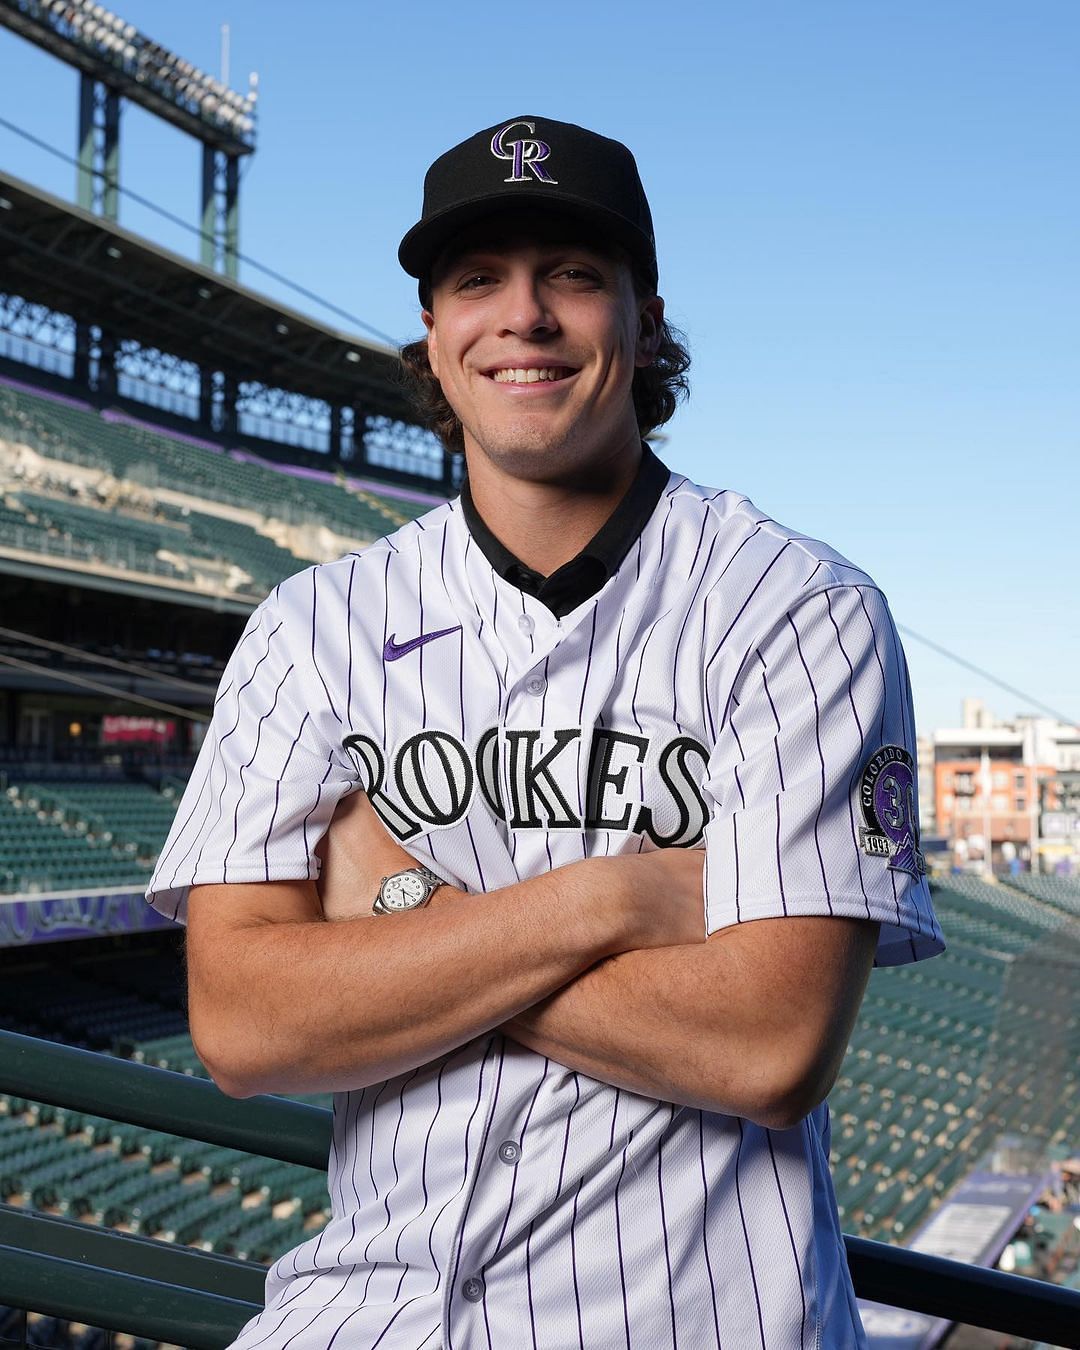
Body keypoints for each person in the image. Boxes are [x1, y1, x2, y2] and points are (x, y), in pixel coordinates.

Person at [147, 115, 943, 1349]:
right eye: (478, 280)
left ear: (648, 318)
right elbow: (245, 1028)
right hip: (357, 1319)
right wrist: (613, 899)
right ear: (433, 333)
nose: (524, 315)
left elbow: (767, 1045)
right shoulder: (312, 627)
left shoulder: (799, 609)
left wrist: (400, 910)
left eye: (572, 273)